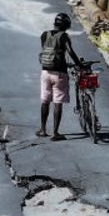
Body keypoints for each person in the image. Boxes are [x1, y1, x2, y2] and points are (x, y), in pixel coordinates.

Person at [38, 12, 82, 140]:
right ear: (66, 25)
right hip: (59, 74)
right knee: (58, 103)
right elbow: (70, 52)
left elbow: (45, 51)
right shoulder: (64, 36)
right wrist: (79, 64)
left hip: (45, 72)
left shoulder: (44, 35)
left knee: (45, 101)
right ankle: (56, 133)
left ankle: (42, 129)